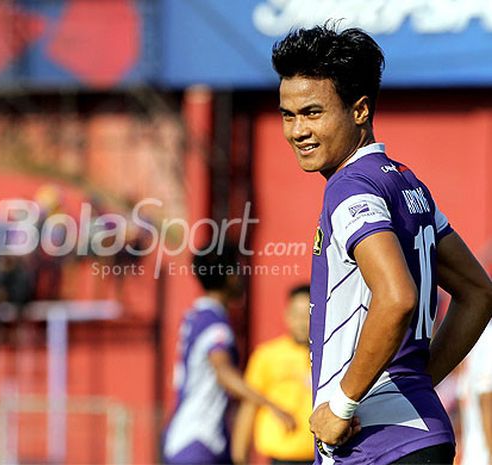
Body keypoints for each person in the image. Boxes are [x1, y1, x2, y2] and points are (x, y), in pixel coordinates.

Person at [271, 24, 492, 465]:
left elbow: (397, 297)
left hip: (374, 447)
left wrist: (344, 403)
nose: (298, 130)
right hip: (421, 434)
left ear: (360, 111)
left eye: (313, 113)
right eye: (288, 115)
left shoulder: (349, 187)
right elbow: (478, 292)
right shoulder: (407, 183)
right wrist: (415, 385)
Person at [162, 245, 295, 465]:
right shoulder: (215, 325)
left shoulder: (196, 316)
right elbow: (224, 373)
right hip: (199, 438)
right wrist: (272, 406)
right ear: (229, 276)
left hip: (188, 436)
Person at [232, 284, 314, 465]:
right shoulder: (267, 356)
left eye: (307, 317)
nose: (301, 323)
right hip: (281, 456)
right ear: (287, 316)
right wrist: (239, 457)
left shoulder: (329, 356)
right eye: (296, 315)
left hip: (319, 455)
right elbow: (249, 405)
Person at [458, 320, 492, 465]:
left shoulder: (476, 338)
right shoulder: (488, 339)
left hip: (473, 456)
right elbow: (487, 401)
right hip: (483, 456)